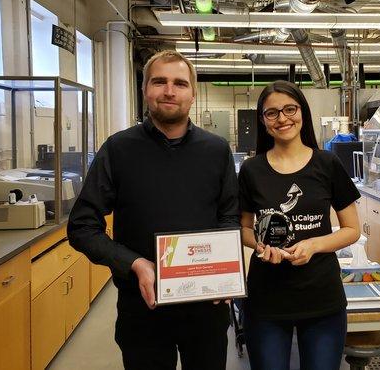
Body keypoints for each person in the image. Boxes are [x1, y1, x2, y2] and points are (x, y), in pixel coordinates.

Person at [67, 50, 239, 370]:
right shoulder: (118, 149)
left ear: (192, 93)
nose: (169, 91)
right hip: (142, 308)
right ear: (145, 89)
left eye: (180, 83)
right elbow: (81, 226)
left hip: (205, 307)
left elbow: (228, 216)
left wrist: (226, 272)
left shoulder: (216, 151)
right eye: (159, 81)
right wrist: (134, 263)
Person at [238, 80, 361, 370]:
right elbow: (243, 227)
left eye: (289, 109)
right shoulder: (251, 170)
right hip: (266, 298)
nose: (282, 118)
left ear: (302, 112)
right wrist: (261, 245)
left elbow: (352, 230)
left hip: (322, 298)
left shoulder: (327, 164)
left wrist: (313, 245)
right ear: (263, 120)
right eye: (272, 113)